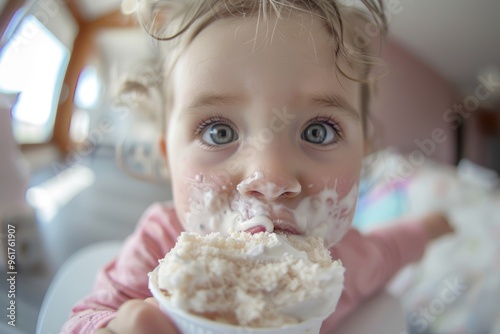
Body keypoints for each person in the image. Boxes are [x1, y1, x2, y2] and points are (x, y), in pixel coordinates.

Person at [62, 1, 453, 333]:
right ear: (168, 156)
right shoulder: (158, 246)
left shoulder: (354, 261)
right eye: (218, 131)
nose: (270, 178)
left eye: (317, 131)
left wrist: (432, 226)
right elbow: (82, 317)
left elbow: (393, 248)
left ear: (363, 154)